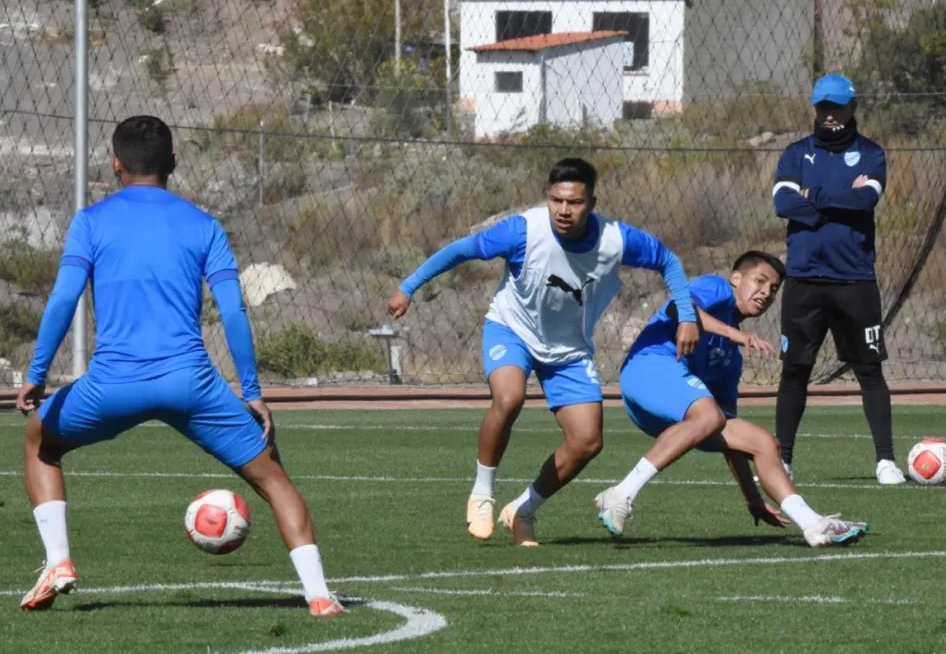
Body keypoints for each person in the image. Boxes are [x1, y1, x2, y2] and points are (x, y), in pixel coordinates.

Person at [16, 116, 343, 616]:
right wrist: (251, 390)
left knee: (41, 442)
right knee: (274, 479)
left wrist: (38, 372)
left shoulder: (91, 220)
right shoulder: (203, 225)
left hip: (111, 386)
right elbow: (232, 312)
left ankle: (59, 562)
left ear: (114, 164)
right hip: (192, 385)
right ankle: (319, 596)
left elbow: (64, 298)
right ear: (174, 163)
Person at [387, 158, 699, 546]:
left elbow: (668, 260)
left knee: (587, 442)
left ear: (592, 203)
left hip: (568, 350)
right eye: (556, 201)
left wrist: (686, 314)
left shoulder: (617, 240)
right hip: (511, 329)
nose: (564, 211)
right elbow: (462, 250)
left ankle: (522, 510)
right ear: (547, 198)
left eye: (575, 203)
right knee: (509, 396)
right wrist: (408, 286)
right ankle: (483, 492)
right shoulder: (523, 231)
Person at [594, 251, 870, 547]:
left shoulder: (729, 361)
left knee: (764, 443)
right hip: (647, 368)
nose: (765, 293)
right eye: (760, 281)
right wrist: (735, 335)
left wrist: (752, 499)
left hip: (678, 411)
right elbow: (679, 307)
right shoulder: (717, 288)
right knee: (709, 415)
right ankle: (621, 493)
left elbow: (729, 436)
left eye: (773, 290)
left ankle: (813, 525)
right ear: (736, 279)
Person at [772, 73, 904, 485]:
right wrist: (835, 201)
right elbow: (781, 202)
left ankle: (885, 461)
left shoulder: (871, 153)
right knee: (795, 370)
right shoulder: (796, 154)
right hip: (804, 280)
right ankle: (783, 460)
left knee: (869, 369)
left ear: (852, 107)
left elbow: (865, 199)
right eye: (822, 107)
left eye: (837, 107)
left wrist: (813, 198)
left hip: (854, 280)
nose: (829, 115)